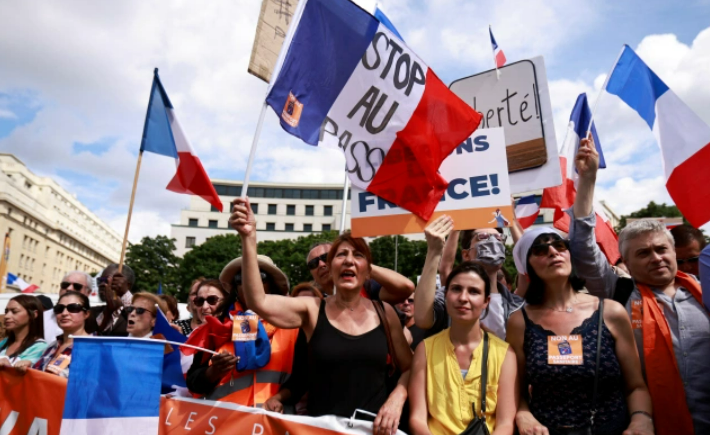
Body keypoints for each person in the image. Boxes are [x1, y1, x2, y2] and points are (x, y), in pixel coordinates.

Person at [232, 197, 411, 435]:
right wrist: (249, 238)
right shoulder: (311, 310)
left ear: (368, 270)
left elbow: (410, 368)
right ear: (330, 268)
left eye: (357, 255)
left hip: (374, 430)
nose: (349, 260)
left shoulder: (385, 312)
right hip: (321, 430)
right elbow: (259, 301)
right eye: (340, 255)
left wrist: (398, 397)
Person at [567, 135, 710, 434]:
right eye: (643, 253)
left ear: (674, 252)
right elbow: (583, 250)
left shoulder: (704, 290)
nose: (656, 258)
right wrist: (587, 181)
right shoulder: (618, 293)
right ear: (628, 264)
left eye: (661, 249)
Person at [507, 227, 654, 435]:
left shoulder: (610, 312)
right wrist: (523, 414)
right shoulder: (519, 322)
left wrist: (641, 419)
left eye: (560, 246)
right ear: (527, 266)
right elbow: (516, 390)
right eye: (540, 250)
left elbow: (636, 387)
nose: (553, 252)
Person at [409, 262, 518, 435]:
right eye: (456, 289)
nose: (463, 298)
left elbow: (505, 424)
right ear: (446, 295)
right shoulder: (425, 349)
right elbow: (417, 418)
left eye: (474, 291)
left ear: (486, 301)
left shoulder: (505, 354)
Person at [186, 253, 300, 408]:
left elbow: (305, 378)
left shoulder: (294, 326)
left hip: (273, 420)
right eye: (240, 278)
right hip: (227, 420)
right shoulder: (215, 328)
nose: (249, 281)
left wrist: (280, 398)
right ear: (235, 288)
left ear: (272, 285)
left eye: (260, 276)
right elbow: (193, 383)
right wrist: (213, 372)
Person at [416, 217, 525, 340]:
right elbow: (422, 318)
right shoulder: (451, 297)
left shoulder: (517, 305)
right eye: (483, 237)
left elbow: (528, 260)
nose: (493, 242)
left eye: (499, 238)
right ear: (466, 255)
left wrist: (511, 218)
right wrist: (434, 250)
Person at [307, 241, 415, 304]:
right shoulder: (312, 301)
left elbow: (406, 287)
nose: (321, 264)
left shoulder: (367, 287)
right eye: (313, 263)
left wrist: (361, 265)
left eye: (325, 257)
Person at [31, 291, 91, 378]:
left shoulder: (93, 348)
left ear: (86, 314)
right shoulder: (52, 345)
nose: (64, 313)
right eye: (59, 308)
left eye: (73, 308)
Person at [0, 295, 47, 368]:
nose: (6, 316)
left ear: (34, 314)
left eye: (14, 312)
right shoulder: (4, 342)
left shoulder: (40, 347)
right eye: (6, 312)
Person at [87, 265, 131, 336]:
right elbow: (94, 332)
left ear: (127, 285)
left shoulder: (138, 311)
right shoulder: (93, 312)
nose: (102, 284)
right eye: (100, 280)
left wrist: (124, 294)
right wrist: (109, 310)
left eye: (107, 281)